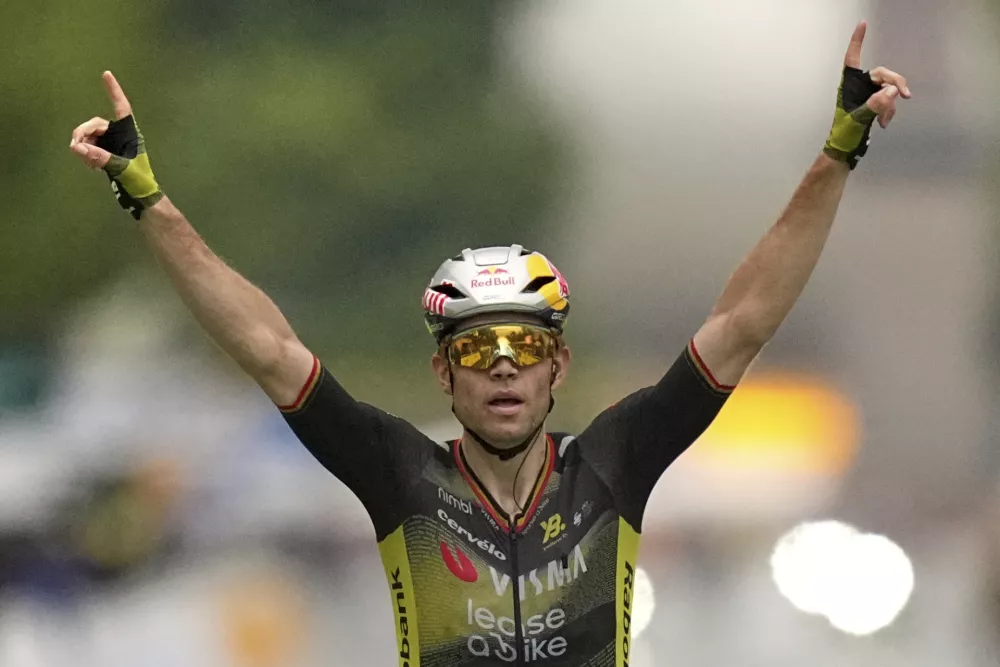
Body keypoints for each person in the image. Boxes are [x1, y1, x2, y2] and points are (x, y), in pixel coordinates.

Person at [70, 21, 909, 667]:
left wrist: (838, 151)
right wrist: (148, 199)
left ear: (559, 366)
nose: (502, 364)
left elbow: (745, 319)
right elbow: (265, 345)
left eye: (523, 344)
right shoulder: (400, 473)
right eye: (476, 349)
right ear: (443, 372)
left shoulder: (614, 463)